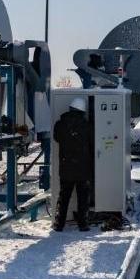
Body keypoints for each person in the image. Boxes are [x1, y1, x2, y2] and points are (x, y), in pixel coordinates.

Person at [53, 97, 93, 231]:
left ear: (70, 108)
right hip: (83, 168)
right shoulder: (86, 125)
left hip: (66, 168)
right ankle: (83, 224)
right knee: (83, 198)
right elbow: (92, 142)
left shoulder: (60, 125)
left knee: (64, 197)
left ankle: (59, 224)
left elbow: (57, 138)